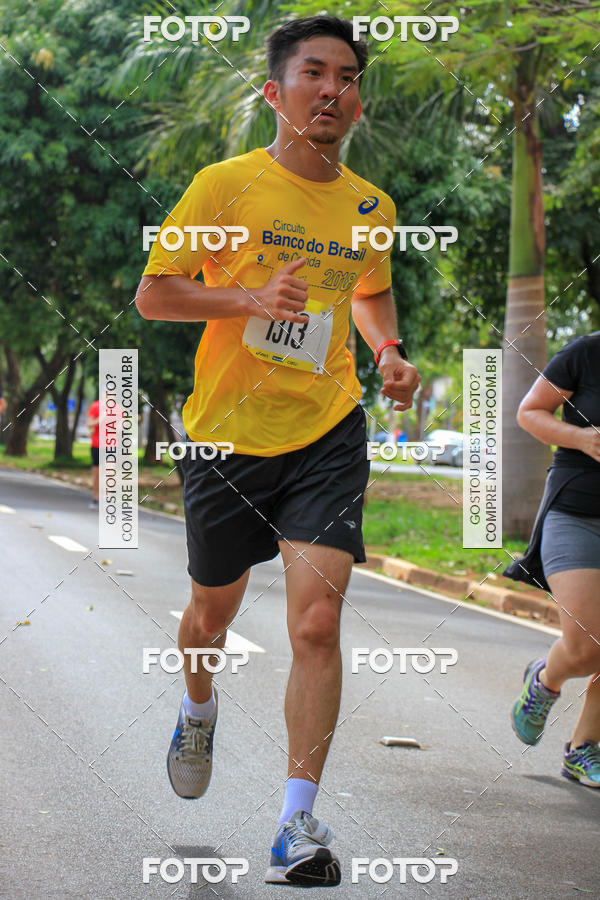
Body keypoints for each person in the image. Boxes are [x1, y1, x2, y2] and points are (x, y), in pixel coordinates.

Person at [136, 15, 420, 885]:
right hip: (227, 434)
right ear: (275, 92)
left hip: (328, 430)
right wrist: (249, 300)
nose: (332, 89)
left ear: (357, 101)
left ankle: (297, 824)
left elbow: (368, 290)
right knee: (210, 615)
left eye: (346, 77)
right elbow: (155, 295)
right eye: (313, 74)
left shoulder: (372, 208)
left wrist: (387, 351)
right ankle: (196, 705)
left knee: (317, 619)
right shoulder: (224, 187)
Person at [505, 331, 600, 788]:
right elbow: (530, 412)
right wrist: (581, 438)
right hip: (577, 512)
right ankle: (544, 680)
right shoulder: (587, 352)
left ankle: (585, 749)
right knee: (586, 646)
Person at [87, 398, 100, 508]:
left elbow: (122, 425)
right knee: (97, 473)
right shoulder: (96, 406)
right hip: (97, 444)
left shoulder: (118, 409)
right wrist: (100, 420)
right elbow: (89, 424)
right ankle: (95, 497)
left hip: (112, 445)